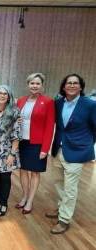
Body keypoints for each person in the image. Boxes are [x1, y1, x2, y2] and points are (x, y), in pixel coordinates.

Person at [46, 74, 96, 234]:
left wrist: (87, 143)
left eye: (75, 83)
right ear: (64, 86)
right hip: (58, 149)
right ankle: (61, 207)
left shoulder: (89, 105)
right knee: (57, 182)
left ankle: (64, 219)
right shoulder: (58, 103)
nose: (72, 85)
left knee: (70, 188)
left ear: (81, 87)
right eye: (69, 83)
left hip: (77, 151)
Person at [16, 73, 55, 214]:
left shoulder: (48, 102)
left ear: (42, 85)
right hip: (22, 142)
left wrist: (45, 149)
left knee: (35, 173)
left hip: (37, 143)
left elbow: (50, 127)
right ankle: (24, 196)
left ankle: (30, 201)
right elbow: (15, 118)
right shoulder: (20, 100)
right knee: (23, 170)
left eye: (37, 83)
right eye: (32, 83)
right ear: (28, 85)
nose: (34, 86)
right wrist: (17, 121)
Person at [0, 85, 20, 216]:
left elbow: (16, 135)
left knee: (5, 178)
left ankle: (4, 203)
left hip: (7, 151)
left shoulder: (14, 112)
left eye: (5, 94)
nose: (2, 96)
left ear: (9, 97)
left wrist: (12, 154)